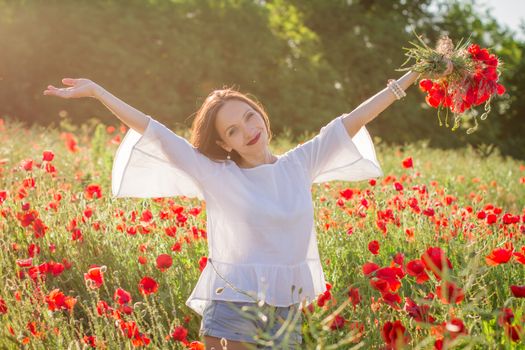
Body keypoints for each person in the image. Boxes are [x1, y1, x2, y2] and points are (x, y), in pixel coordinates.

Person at [43, 63, 451, 350]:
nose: (249, 131)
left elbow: (353, 120)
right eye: (233, 130)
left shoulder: (300, 163)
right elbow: (154, 130)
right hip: (232, 304)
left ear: (262, 115)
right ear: (225, 143)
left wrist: (414, 76)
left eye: (250, 117)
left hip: (286, 309)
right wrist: (97, 92)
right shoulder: (217, 174)